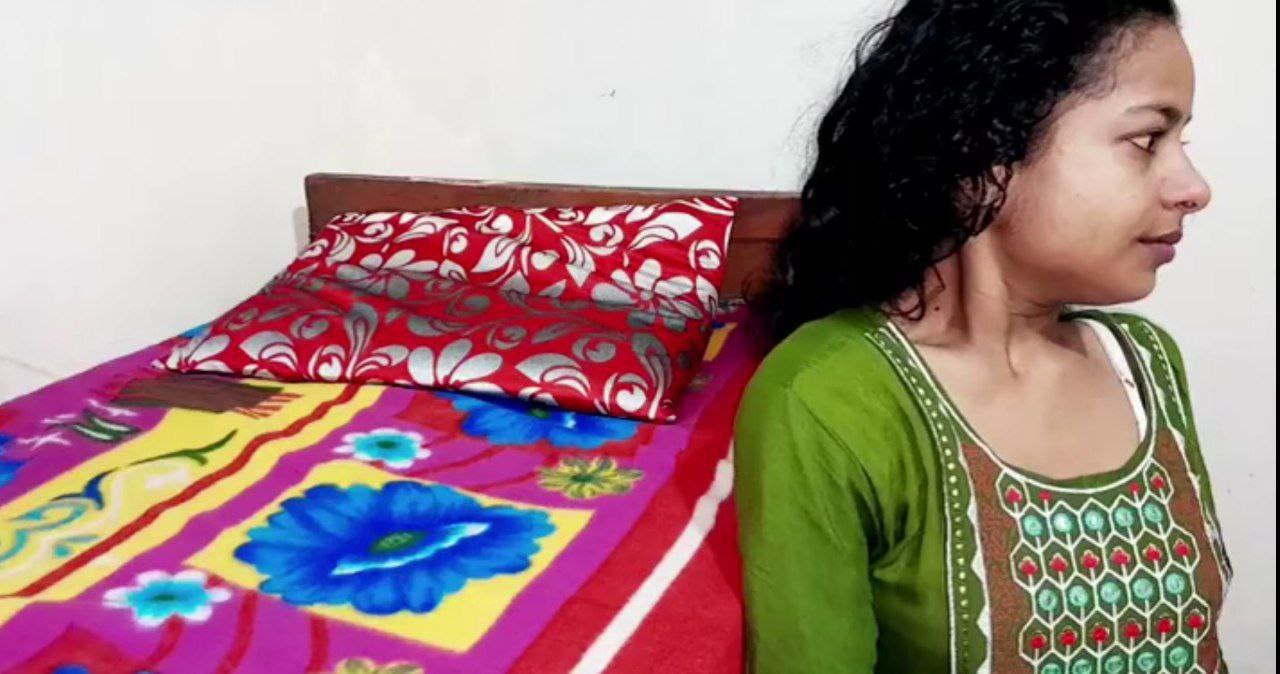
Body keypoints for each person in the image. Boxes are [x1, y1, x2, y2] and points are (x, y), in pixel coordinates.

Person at [734, 1, 1232, 671]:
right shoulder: (829, 398)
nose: (1194, 188)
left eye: (1182, 145)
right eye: (1146, 141)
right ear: (985, 155)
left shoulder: (1143, 365)